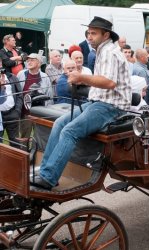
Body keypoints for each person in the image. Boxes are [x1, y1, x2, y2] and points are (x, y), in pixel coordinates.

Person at [31, 16, 132, 190]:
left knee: (69, 131)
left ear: (106, 34)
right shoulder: (102, 50)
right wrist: (82, 81)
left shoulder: (109, 52)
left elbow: (109, 82)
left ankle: (48, 178)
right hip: (98, 102)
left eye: (94, 33)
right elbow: (101, 82)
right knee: (59, 123)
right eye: (88, 33)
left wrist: (81, 77)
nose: (89, 36)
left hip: (112, 107)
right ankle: (46, 171)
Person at [17, 53, 53, 138]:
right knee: (24, 138)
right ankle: (24, 151)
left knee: (40, 138)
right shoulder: (21, 74)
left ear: (39, 63)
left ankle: (35, 151)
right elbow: (18, 94)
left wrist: (48, 115)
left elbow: (49, 96)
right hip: (25, 114)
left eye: (32, 60)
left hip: (40, 114)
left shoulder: (45, 77)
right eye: (28, 60)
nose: (29, 62)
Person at [0, 71, 22, 147]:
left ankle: (16, 159)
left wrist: (17, 111)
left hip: (12, 113)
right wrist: (2, 86)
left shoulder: (12, 77)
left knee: (15, 142)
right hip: (0, 117)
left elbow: (19, 94)